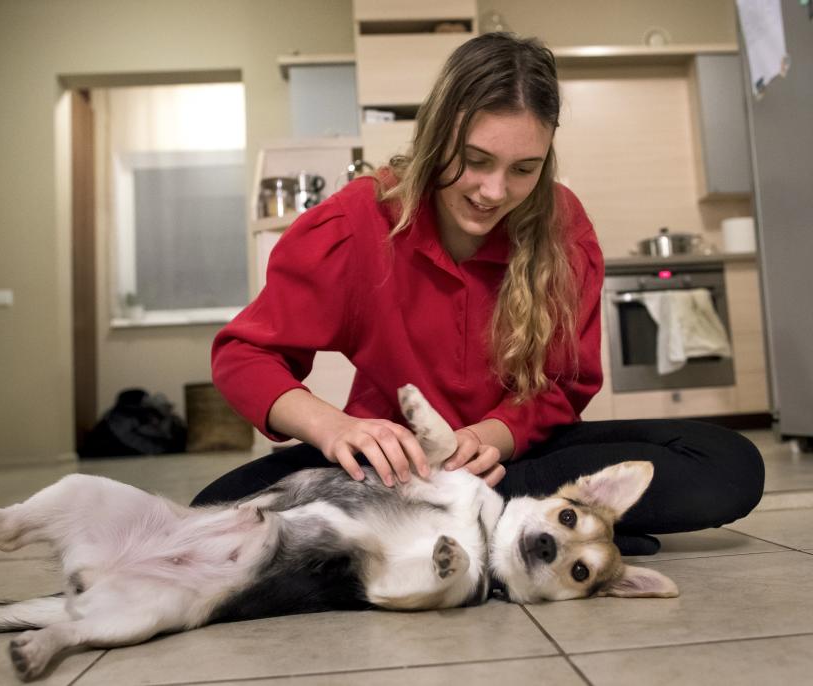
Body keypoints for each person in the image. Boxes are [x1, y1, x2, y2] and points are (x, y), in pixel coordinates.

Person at [192, 32, 764, 557]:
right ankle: (526, 528)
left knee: (729, 466)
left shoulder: (563, 226)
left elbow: (566, 387)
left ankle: (460, 521)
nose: (495, 192)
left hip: (518, 460)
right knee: (211, 511)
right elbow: (246, 356)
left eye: (524, 169)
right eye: (476, 160)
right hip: (392, 469)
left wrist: (492, 438)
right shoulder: (355, 222)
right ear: (438, 135)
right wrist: (335, 427)